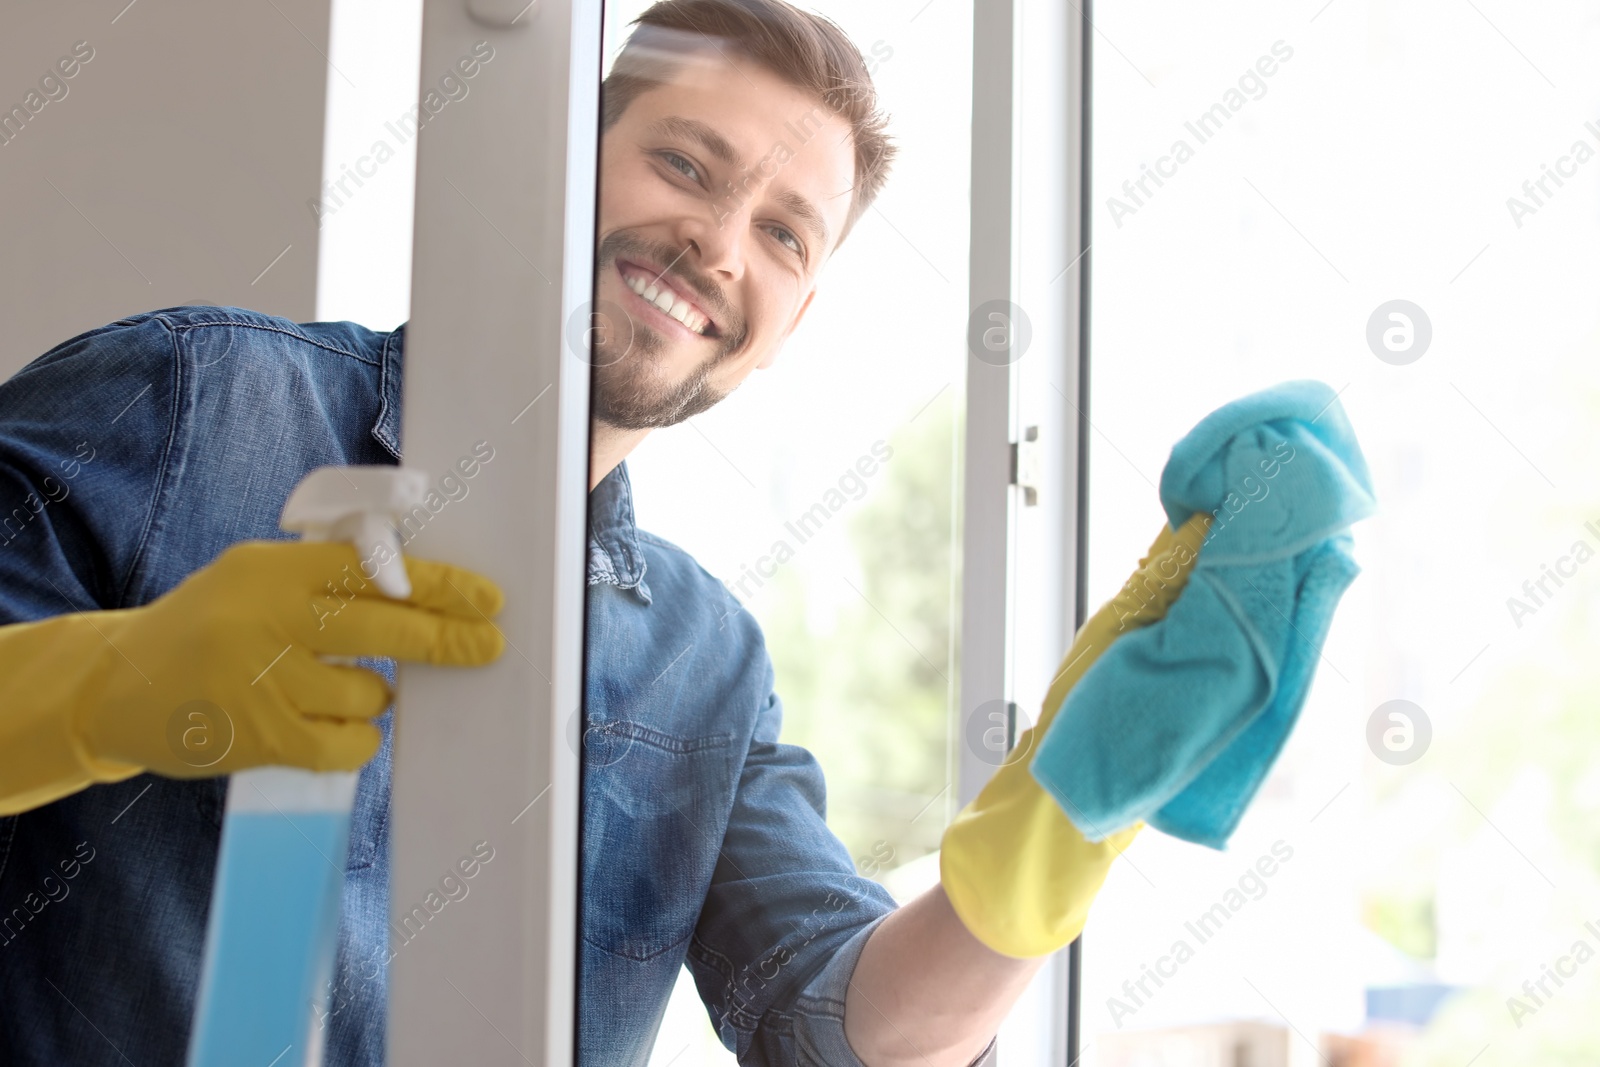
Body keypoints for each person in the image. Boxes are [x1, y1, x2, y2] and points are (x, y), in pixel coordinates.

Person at [0, 2, 1140, 1064]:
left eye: (786, 236)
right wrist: (108, 683)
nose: (719, 246)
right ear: (560, 155)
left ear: (793, 325)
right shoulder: (189, 398)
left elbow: (834, 1023)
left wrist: (1057, 830)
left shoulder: (710, 667)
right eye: (684, 165)